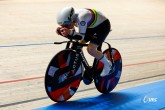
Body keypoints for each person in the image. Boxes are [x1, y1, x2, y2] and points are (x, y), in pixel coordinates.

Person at [56, 6, 112, 77]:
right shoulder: (71, 18)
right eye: (62, 25)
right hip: (90, 26)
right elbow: (74, 33)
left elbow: (80, 36)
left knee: (91, 49)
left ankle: (107, 64)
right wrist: (63, 32)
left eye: (66, 25)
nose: (65, 27)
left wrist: (69, 32)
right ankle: (79, 63)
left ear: (72, 19)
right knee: (78, 45)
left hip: (102, 26)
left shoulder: (81, 18)